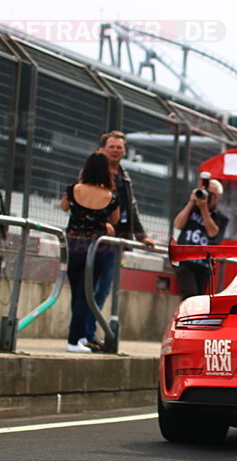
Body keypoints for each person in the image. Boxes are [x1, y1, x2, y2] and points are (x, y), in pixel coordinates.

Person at [84, 131, 155, 351]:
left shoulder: (124, 175)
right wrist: (100, 222)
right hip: (98, 239)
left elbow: (131, 207)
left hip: (118, 240)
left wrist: (141, 235)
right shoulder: (95, 170)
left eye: (119, 147)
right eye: (112, 146)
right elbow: (84, 199)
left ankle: (91, 333)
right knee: (91, 288)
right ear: (103, 148)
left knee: (103, 290)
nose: (116, 150)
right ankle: (85, 335)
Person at [60, 153, 119, 353]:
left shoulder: (73, 189)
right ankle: (74, 339)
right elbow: (115, 219)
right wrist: (102, 222)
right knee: (86, 294)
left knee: (77, 292)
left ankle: (80, 337)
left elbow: (64, 207)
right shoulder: (110, 197)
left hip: (73, 245)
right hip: (95, 248)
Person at [173, 177, 228, 299]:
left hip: (203, 263)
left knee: (198, 298)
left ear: (218, 197)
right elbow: (177, 224)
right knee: (189, 294)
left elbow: (213, 233)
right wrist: (191, 203)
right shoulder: (191, 209)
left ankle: (191, 318)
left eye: (211, 194)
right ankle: (184, 318)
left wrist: (204, 209)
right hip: (185, 260)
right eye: (206, 191)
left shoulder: (220, 218)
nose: (207, 196)